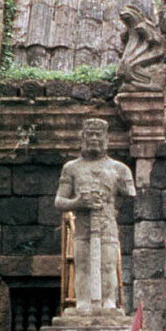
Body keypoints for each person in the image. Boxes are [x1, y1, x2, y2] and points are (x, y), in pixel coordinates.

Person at [54, 117, 135, 313]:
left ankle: (109, 302)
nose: (94, 138)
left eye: (98, 135)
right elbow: (59, 201)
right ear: (83, 138)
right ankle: (83, 302)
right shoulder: (71, 168)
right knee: (82, 265)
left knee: (108, 264)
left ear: (106, 139)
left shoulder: (119, 169)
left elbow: (131, 194)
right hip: (83, 226)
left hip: (107, 224)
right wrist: (78, 202)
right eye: (90, 134)